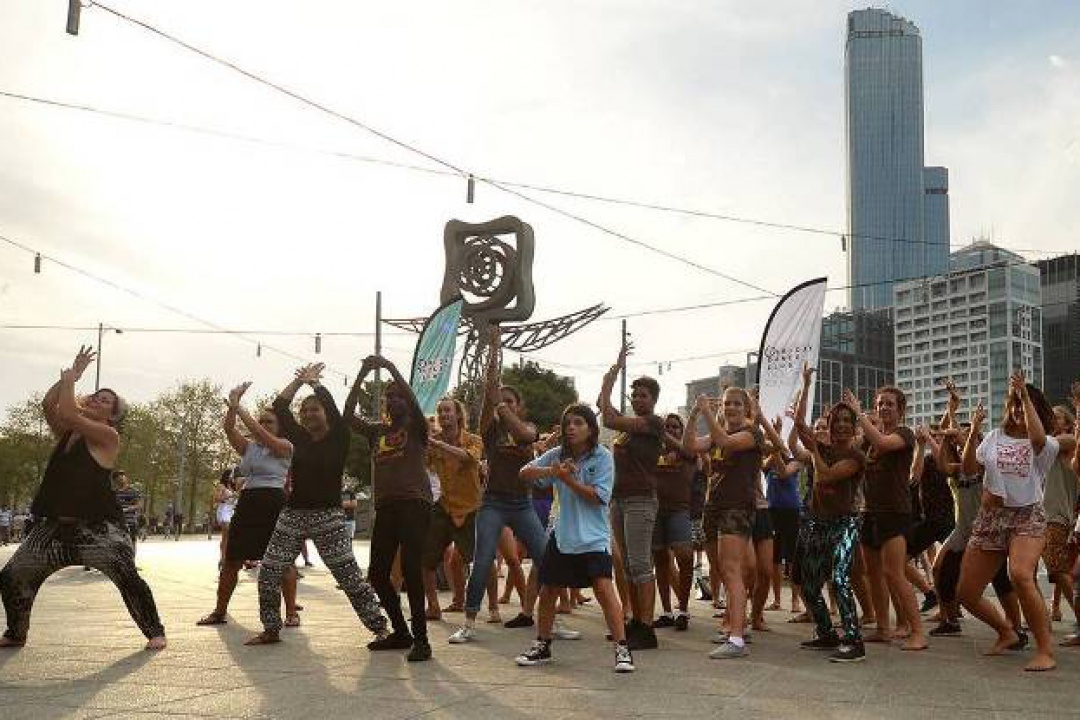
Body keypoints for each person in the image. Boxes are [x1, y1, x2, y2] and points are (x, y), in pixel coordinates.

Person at [0, 346, 165, 650]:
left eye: (106, 401)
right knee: (13, 575)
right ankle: (16, 632)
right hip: (53, 528)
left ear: (112, 416)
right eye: (96, 395)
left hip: (98, 529)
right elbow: (50, 404)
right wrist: (72, 376)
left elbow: (67, 411)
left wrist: (70, 383)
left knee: (127, 576)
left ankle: (155, 631)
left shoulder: (108, 436)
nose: (97, 400)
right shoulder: (68, 431)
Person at [246, 364, 388, 647]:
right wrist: (299, 381)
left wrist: (316, 385)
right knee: (269, 572)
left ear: (325, 414)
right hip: (293, 514)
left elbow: (335, 410)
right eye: (305, 411)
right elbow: (280, 405)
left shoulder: (339, 436)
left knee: (349, 577)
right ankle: (271, 629)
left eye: (315, 410)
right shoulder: (298, 437)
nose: (309, 414)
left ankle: (380, 628)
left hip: (329, 516)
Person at [448, 332, 554, 644]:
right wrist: (494, 351)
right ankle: (469, 621)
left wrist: (501, 404)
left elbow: (525, 436)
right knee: (482, 561)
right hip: (493, 503)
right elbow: (488, 392)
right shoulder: (490, 429)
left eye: (511, 402)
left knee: (545, 558)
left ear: (520, 407)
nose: (503, 405)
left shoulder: (528, 428)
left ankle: (548, 617)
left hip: (522, 503)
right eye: (501, 401)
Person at [515, 404, 634, 672]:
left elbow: (598, 497)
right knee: (548, 591)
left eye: (578, 423)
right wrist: (551, 472)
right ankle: (542, 644)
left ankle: (622, 649)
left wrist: (567, 480)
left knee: (604, 589)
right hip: (562, 536)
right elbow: (524, 473)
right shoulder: (557, 454)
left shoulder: (603, 457)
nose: (571, 427)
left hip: (594, 538)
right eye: (567, 423)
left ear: (591, 429)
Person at [957, 373, 1059, 672]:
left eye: (1024, 404)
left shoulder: (1047, 444)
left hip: (1027, 515)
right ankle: (1006, 631)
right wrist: (974, 432)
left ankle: (1045, 650)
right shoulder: (993, 437)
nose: (1017, 408)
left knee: (1021, 575)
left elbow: (1037, 440)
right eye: (1013, 402)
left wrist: (1024, 395)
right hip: (991, 518)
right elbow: (968, 469)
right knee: (966, 594)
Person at [347, 355, 433, 661]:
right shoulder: (377, 432)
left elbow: (414, 401)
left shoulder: (417, 427)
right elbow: (347, 415)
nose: (394, 400)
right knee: (377, 574)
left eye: (399, 396)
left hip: (415, 503)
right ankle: (400, 632)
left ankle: (422, 640)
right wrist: (362, 373)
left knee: (410, 569)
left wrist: (390, 368)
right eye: (389, 396)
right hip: (386, 506)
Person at [198, 382, 300, 628]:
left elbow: (259, 433)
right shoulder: (250, 448)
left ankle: (291, 613)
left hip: (273, 502)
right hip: (248, 502)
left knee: (283, 561)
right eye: (261, 421)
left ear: (280, 427)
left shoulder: (286, 446)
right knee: (232, 559)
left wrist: (240, 407)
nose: (263, 425)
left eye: (269, 422)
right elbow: (229, 429)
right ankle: (219, 611)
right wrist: (232, 408)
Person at [684, 387, 766, 659]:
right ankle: (733, 626)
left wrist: (708, 412)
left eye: (736, 404)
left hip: (737, 507)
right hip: (714, 507)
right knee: (724, 568)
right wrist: (694, 415)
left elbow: (727, 443)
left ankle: (737, 638)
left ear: (746, 409)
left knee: (732, 570)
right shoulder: (718, 433)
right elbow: (689, 447)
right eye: (727, 403)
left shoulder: (752, 433)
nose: (730, 408)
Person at [843, 387, 927, 651]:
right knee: (874, 574)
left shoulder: (904, 434)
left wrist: (859, 415)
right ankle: (882, 628)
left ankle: (918, 632)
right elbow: (849, 450)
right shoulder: (869, 437)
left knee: (894, 573)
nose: (883, 408)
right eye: (880, 404)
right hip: (869, 512)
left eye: (889, 404)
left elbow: (882, 443)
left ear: (900, 409)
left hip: (895, 513)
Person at [598, 340, 664, 650]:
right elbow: (605, 409)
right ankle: (636, 621)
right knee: (626, 566)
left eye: (643, 395)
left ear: (653, 400)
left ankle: (646, 628)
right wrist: (612, 374)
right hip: (620, 499)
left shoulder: (653, 423)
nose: (637, 399)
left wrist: (609, 381)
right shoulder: (629, 429)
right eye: (634, 395)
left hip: (640, 500)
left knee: (639, 565)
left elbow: (608, 417)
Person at [791, 397, 866, 663]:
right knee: (809, 585)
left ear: (854, 427)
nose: (842, 425)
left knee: (840, 578)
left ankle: (854, 640)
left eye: (847, 421)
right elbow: (799, 424)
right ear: (830, 424)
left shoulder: (856, 457)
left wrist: (814, 451)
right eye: (837, 420)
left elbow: (827, 476)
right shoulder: (821, 448)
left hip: (845, 523)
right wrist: (806, 385)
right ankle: (826, 633)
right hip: (818, 523)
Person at [422, 397, 483, 622]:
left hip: (471, 508)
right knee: (426, 560)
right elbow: (423, 465)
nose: (443, 414)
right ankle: (433, 607)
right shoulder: (433, 442)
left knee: (479, 560)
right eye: (440, 411)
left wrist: (438, 445)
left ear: (458, 414)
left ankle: (493, 607)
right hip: (444, 506)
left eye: (448, 410)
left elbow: (469, 457)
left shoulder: (474, 440)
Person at [651, 414, 696, 631]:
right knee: (660, 560)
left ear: (682, 430)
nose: (671, 430)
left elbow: (691, 453)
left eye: (675, 427)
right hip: (656, 511)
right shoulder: (654, 451)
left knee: (685, 556)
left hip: (680, 510)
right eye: (667, 427)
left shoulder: (688, 450)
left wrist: (662, 433)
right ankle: (667, 612)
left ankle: (683, 610)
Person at [1041, 404, 1078, 635]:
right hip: (1046, 515)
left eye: (1057, 417)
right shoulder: (1050, 446)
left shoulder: (1069, 442)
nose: (1052, 419)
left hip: (1058, 516)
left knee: (1059, 568)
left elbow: (1044, 441)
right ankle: (1044, 615)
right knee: (1056, 568)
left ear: (1068, 422)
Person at [213, 469, 239, 565]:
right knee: (226, 535)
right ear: (227, 476)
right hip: (223, 511)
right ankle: (223, 558)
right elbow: (216, 499)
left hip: (232, 512)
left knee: (230, 537)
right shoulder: (221, 486)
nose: (233, 477)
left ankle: (227, 557)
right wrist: (230, 497)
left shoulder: (233, 487)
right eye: (231, 475)